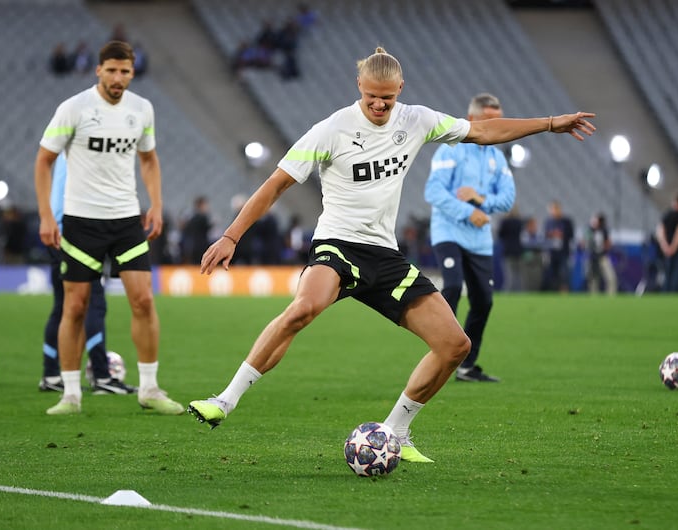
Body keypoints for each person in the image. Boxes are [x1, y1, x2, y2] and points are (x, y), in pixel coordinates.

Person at [187, 47, 596, 462]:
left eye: (388, 97)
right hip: (338, 245)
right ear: (359, 88)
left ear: (400, 88)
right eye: (371, 97)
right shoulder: (332, 129)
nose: (380, 105)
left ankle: (396, 431)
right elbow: (276, 183)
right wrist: (231, 237)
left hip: (384, 255)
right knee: (302, 309)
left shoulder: (416, 119)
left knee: (455, 345)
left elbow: (483, 132)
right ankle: (225, 400)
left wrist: (548, 124)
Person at [34, 40, 183, 416]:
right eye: (112, 70)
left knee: (144, 302)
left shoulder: (141, 109)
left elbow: (149, 159)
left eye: (125, 71)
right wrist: (46, 216)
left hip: (126, 221)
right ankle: (70, 394)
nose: (118, 78)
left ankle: (149, 388)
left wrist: (157, 203)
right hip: (82, 222)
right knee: (76, 307)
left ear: (133, 72)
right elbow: (43, 161)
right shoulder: (74, 108)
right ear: (98, 70)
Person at [424, 93, 516, 383]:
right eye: (491, 120)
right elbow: (433, 192)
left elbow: (508, 200)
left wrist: (479, 200)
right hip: (448, 232)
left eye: (499, 120)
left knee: (484, 301)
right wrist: (468, 211)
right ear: (473, 119)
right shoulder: (450, 150)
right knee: (451, 286)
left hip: (479, 240)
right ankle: (441, 354)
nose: (496, 126)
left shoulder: (497, 158)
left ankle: (466, 366)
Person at [40, 152, 136, 395]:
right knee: (94, 303)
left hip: (59, 230)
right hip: (72, 233)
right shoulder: (81, 147)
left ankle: (51, 374)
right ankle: (102, 376)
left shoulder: (66, 148)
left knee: (63, 305)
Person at [655, 193, 678, 292]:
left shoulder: (667, 214)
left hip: (666, 249)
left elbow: (660, 231)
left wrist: (665, 246)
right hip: (677, 249)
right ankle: (675, 292)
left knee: (667, 272)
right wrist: (673, 248)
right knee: (677, 272)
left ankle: (666, 292)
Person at [542, 200, 574, 292]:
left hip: (563, 251)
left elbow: (571, 235)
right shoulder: (548, 222)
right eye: (552, 209)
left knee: (564, 272)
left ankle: (565, 291)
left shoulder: (566, 221)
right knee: (552, 273)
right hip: (552, 252)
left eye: (556, 209)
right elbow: (545, 235)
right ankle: (554, 290)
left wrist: (561, 234)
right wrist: (551, 234)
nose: (554, 211)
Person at [585, 212, 617, 295]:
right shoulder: (589, 230)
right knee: (593, 278)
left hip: (603, 257)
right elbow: (585, 243)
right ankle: (593, 296)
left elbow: (608, 243)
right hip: (592, 258)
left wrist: (605, 247)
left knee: (611, 277)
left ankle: (611, 295)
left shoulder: (604, 230)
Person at [497, 207, 523, 292]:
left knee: (509, 274)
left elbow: (500, 235)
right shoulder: (519, 222)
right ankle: (519, 290)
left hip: (508, 251)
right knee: (518, 274)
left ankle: (509, 290)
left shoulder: (505, 222)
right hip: (518, 251)